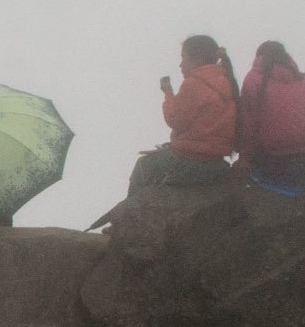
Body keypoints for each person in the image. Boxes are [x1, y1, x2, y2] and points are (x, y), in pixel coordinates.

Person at [87, 34, 238, 229]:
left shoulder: (194, 83)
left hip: (193, 162)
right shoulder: (226, 80)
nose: (181, 64)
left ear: (197, 58)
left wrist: (168, 93)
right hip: (216, 161)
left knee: (144, 167)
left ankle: (126, 225)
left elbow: (175, 120)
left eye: (183, 57)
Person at [236, 40, 305, 191]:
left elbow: (248, 125)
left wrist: (244, 160)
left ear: (259, 58)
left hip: (275, 157)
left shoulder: (253, 81)